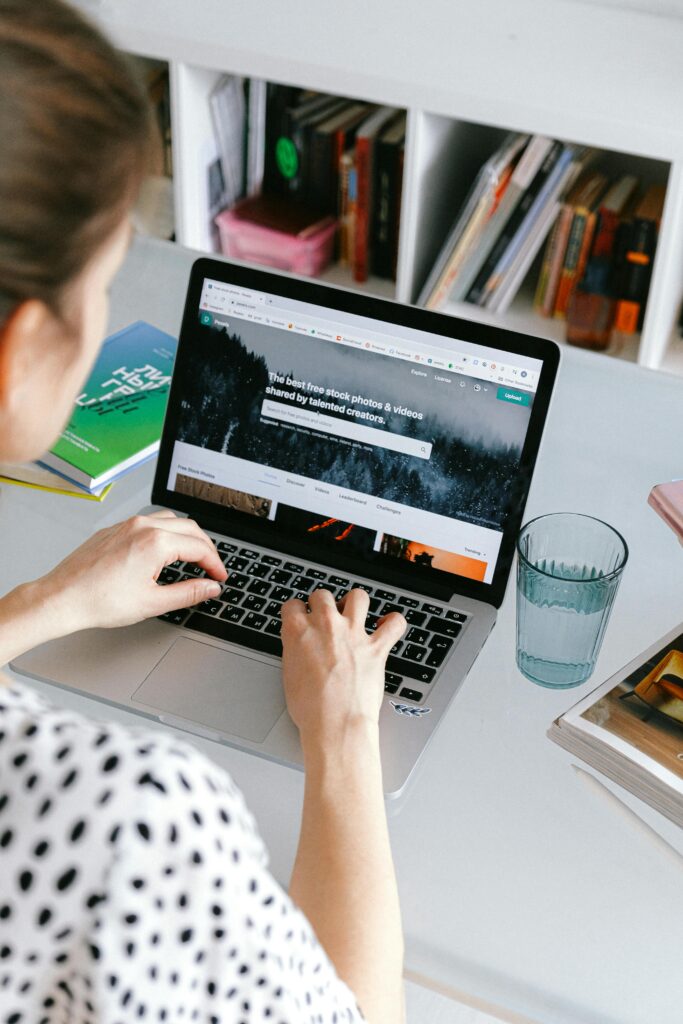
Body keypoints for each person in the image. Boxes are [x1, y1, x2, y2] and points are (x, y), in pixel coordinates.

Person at [0, 2, 407, 1022]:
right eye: (104, 281)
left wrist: (47, 603)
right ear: (22, 351)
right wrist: (345, 736)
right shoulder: (133, 823)